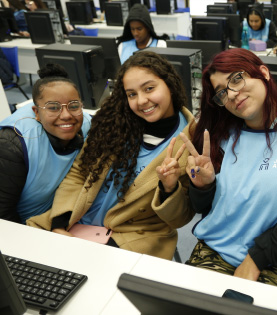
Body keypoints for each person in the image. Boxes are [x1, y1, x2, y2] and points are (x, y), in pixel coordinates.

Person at [180, 48, 277, 291]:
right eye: (222, 92)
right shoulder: (221, 136)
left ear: (263, 72)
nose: (231, 94)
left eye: (236, 79)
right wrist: (203, 186)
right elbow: (205, 209)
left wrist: (255, 259)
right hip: (217, 248)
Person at [27, 51, 195, 259]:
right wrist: (59, 224)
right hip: (76, 220)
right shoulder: (114, 124)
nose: (141, 101)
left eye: (149, 88)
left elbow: (180, 219)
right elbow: (80, 172)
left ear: (169, 84)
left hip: (130, 237)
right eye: (131, 94)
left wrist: (169, 189)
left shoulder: (192, 144)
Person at [0, 64, 91, 224]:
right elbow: (3, 214)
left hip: (61, 212)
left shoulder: (86, 123)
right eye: (53, 108)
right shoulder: (12, 145)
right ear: (37, 113)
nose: (66, 115)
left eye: (74, 106)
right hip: (25, 225)